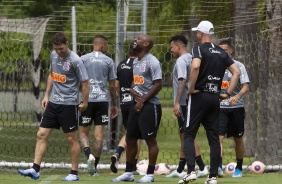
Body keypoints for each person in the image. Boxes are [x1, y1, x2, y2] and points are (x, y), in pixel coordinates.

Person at [17, 32, 90, 181]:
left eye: (61, 49)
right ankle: (35, 169)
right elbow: (52, 74)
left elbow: (85, 82)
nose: (58, 51)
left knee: (71, 139)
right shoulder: (53, 55)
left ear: (67, 44)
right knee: (41, 134)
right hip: (53, 103)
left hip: (69, 104)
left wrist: (85, 102)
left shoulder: (76, 60)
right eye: (56, 49)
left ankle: (74, 173)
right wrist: (46, 96)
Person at [178, 20, 240, 184]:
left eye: (197, 32)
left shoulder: (198, 48)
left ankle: (191, 171)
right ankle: (212, 177)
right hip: (214, 98)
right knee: (213, 138)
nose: (196, 34)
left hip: (199, 96)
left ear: (200, 33)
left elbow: (196, 66)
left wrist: (191, 88)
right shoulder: (221, 52)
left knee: (189, 133)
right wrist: (226, 93)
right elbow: (236, 72)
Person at [111, 34, 162, 183]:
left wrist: (143, 101)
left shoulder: (152, 61)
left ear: (146, 44)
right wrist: (132, 90)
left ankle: (150, 175)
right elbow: (136, 80)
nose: (135, 41)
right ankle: (128, 172)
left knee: (150, 140)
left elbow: (158, 84)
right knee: (130, 138)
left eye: (139, 39)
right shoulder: (136, 61)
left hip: (150, 106)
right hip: (136, 104)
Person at [166, 35, 209, 179]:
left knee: (188, 135)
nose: (171, 50)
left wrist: (177, 102)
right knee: (183, 134)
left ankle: (201, 167)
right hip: (194, 100)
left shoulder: (181, 60)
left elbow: (182, 80)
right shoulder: (192, 57)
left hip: (185, 103)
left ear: (178, 46)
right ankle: (180, 168)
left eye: (172, 47)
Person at [79, 35, 118, 176]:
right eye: (106, 45)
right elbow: (112, 85)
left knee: (83, 133)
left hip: (87, 100)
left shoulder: (83, 59)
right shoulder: (108, 61)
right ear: (102, 45)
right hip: (102, 100)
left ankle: (88, 154)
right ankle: (94, 168)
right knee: (99, 137)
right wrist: (114, 103)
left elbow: (78, 80)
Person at [218, 40, 250, 178]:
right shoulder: (214, 66)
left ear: (230, 51)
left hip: (236, 107)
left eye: (225, 50)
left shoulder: (239, 66)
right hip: (219, 108)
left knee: (238, 138)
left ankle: (239, 168)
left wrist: (237, 96)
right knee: (218, 138)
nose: (222, 52)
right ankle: (218, 167)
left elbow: (246, 86)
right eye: (220, 50)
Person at [110, 41, 141, 174]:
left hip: (124, 102)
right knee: (136, 135)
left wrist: (121, 97)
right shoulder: (140, 64)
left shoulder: (121, 64)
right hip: (136, 102)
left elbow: (116, 85)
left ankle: (117, 153)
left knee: (129, 132)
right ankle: (133, 166)